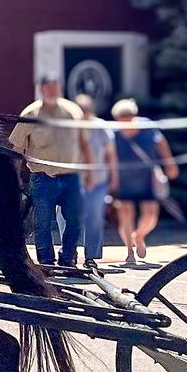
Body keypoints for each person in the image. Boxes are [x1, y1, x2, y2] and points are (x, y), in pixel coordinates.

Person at [9, 74, 90, 266]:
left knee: (75, 221)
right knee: (42, 224)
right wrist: (14, 178)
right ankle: (46, 261)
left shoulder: (72, 111)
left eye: (55, 87)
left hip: (72, 177)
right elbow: (18, 149)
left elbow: (85, 143)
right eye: (48, 88)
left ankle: (68, 257)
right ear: (41, 89)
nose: (52, 91)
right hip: (43, 178)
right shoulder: (30, 114)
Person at [110, 98, 178, 269]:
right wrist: (112, 179)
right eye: (122, 117)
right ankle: (129, 252)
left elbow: (161, 144)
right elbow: (108, 155)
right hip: (124, 177)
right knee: (125, 214)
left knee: (151, 214)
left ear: (135, 115)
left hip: (147, 177)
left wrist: (169, 164)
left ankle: (139, 236)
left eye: (129, 116)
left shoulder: (147, 126)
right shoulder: (113, 132)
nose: (126, 120)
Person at [75, 93, 119, 270]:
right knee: (67, 218)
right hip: (72, 178)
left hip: (98, 179)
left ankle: (91, 256)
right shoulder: (70, 127)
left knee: (94, 218)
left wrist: (114, 179)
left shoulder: (100, 127)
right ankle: (70, 254)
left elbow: (111, 154)